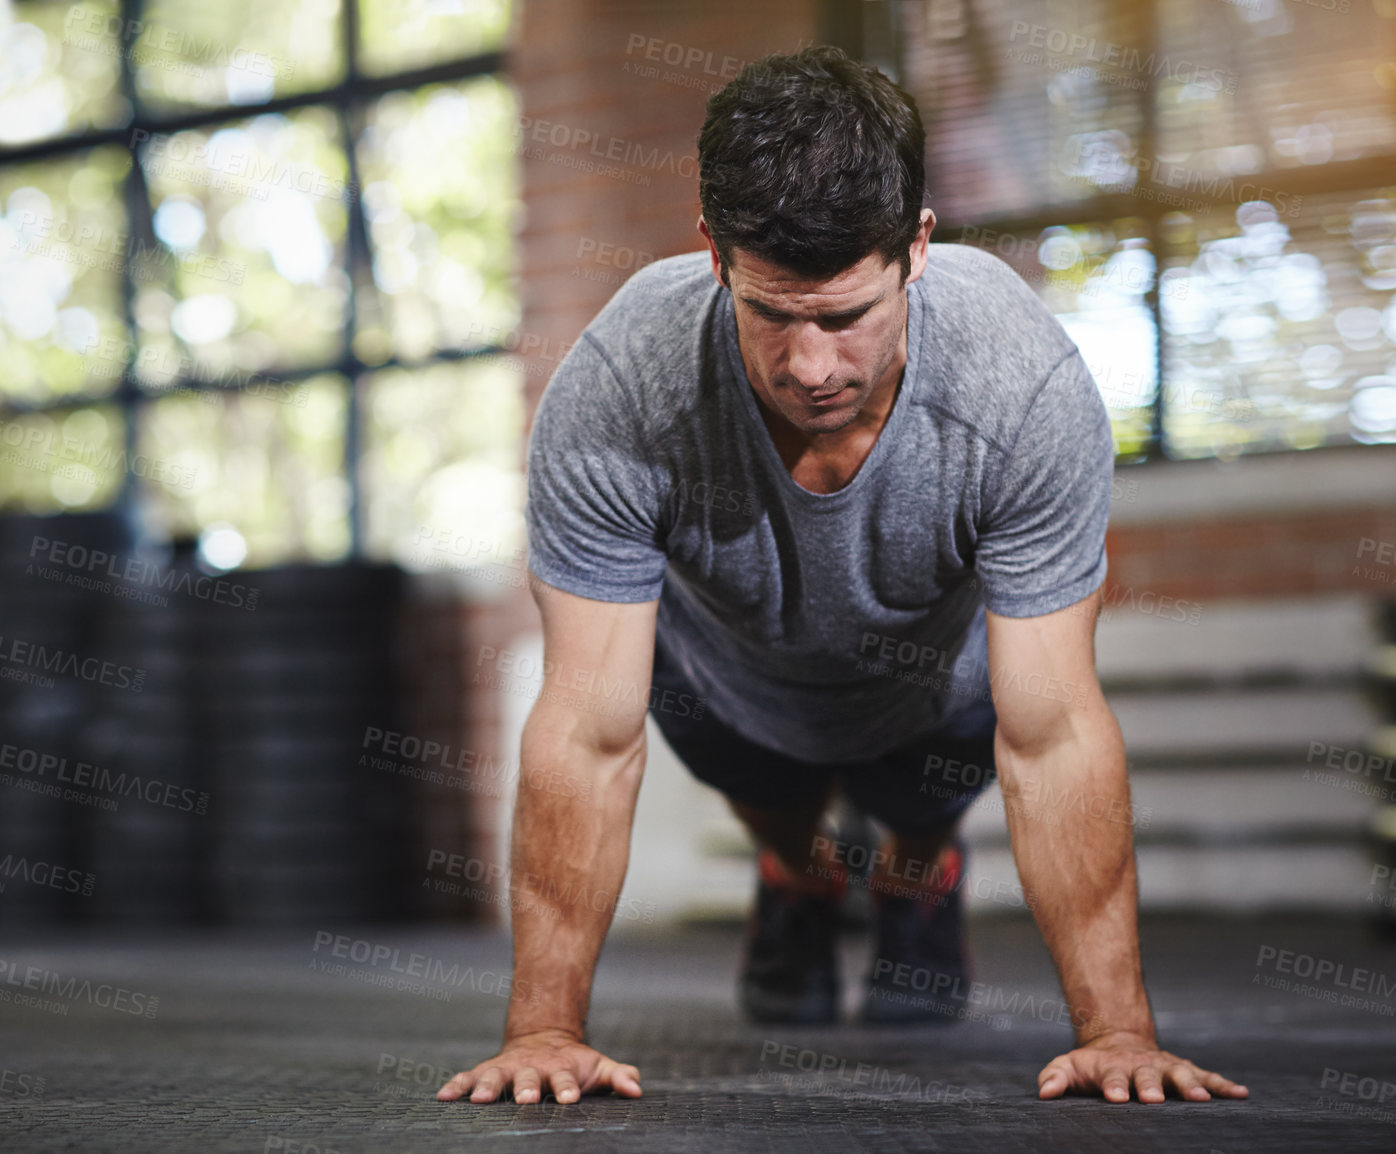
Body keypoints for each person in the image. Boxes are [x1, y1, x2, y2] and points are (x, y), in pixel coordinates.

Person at [436, 45, 1250, 1108]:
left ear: (916, 248)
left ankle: (919, 871)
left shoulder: (1021, 387)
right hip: (729, 683)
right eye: (773, 314)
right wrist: (541, 1027)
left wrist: (1118, 1031)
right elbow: (590, 728)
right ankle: (803, 871)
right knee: (739, 764)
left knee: (918, 801)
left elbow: (1049, 730)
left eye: (843, 316)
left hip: (935, 695)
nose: (811, 366)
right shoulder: (621, 387)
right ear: (712, 251)